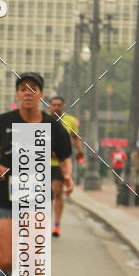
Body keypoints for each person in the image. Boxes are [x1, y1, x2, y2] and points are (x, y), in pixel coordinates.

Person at [0, 74, 73, 276]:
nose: (28, 93)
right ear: (17, 95)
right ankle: (6, 271)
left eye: (33, 89)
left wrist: (67, 176)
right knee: (5, 260)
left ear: (41, 95)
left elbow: (65, 157)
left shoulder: (52, 125)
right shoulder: (4, 121)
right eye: (23, 89)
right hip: (5, 195)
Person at [48, 96, 83, 236]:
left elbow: (75, 138)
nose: (56, 107)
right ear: (49, 106)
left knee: (57, 192)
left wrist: (80, 150)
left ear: (63, 106)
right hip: (40, 162)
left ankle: (56, 225)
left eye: (58, 105)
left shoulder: (70, 121)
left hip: (60, 163)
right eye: (53, 105)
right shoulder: (42, 119)